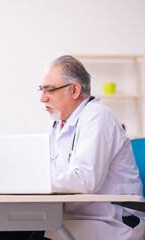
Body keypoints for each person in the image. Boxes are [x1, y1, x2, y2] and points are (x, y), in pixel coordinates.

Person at [38, 55, 145, 240]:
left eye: (50, 90)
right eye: (41, 90)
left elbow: (85, 180)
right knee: (7, 230)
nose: (42, 98)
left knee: (33, 235)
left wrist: (35, 181)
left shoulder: (98, 117)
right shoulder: (56, 124)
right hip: (76, 216)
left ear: (74, 90)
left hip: (112, 220)